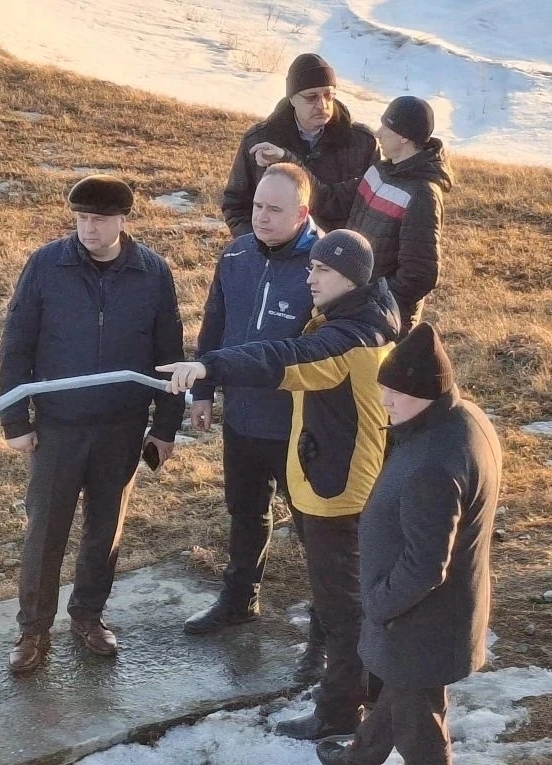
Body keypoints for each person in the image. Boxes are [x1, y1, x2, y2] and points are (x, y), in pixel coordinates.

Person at [158, 230, 400, 741]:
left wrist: (209, 365)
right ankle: (378, 692)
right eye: (311, 267)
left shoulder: (346, 340)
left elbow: (282, 357)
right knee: (359, 600)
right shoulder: (369, 317)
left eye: (322, 270)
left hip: (337, 490)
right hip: (356, 479)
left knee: (341, 610)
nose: (310, 278)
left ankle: (338, 714)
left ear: (351, 278)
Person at [0, 174, 184, 674]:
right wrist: (15, 419)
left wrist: (165, 427)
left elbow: (169, 351)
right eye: (81, 218)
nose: (88, 229)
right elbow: (17, 343)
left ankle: (88, 616)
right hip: (58, 426)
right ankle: (33, 630)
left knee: (105, 530)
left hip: (122, 426)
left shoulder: (152, 272)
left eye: (99, 220)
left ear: (122, 220)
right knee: (45, 531)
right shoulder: (46, 264)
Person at [316, 323, 503, 765]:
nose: (385, 401)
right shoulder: (461, 419)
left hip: (415, 619)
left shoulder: (432, 466)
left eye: (395, 393)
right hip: (433, 614)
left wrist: (379, 605)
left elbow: (425, 565)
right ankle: (360, 758)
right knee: (401, 695)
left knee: (421, 730)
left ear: (426, 394)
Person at [184, 162, 329, 684]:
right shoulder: (237, 254)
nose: (261, 217)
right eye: (257, 206)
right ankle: (240, 599)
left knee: (317, 532)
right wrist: (204, 391)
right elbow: (215, 324)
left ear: (303, 213)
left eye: (274, 210)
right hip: (243, 416)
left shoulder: (325, 263)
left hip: (302, 426)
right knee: (245, 511)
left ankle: (327, 634)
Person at [306, 96, 454, 337]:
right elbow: (332, 200)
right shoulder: (379, 171)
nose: (378, 133)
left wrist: (372, 303)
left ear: (404, 136)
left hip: (380, 321)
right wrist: (288, 165)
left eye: (386, 127)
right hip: (351, 306)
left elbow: (420, 274)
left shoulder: (423, 195)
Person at [221, 53, 378, 237]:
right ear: (292, 99)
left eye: (328, 95)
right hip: (273, 249)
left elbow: (372, 210)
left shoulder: (362, 142)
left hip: (337, 249)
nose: (322, 105)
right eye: (311, 97)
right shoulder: (259, 140)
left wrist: (348, 248)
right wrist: (256, 244)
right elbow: (235, 204)